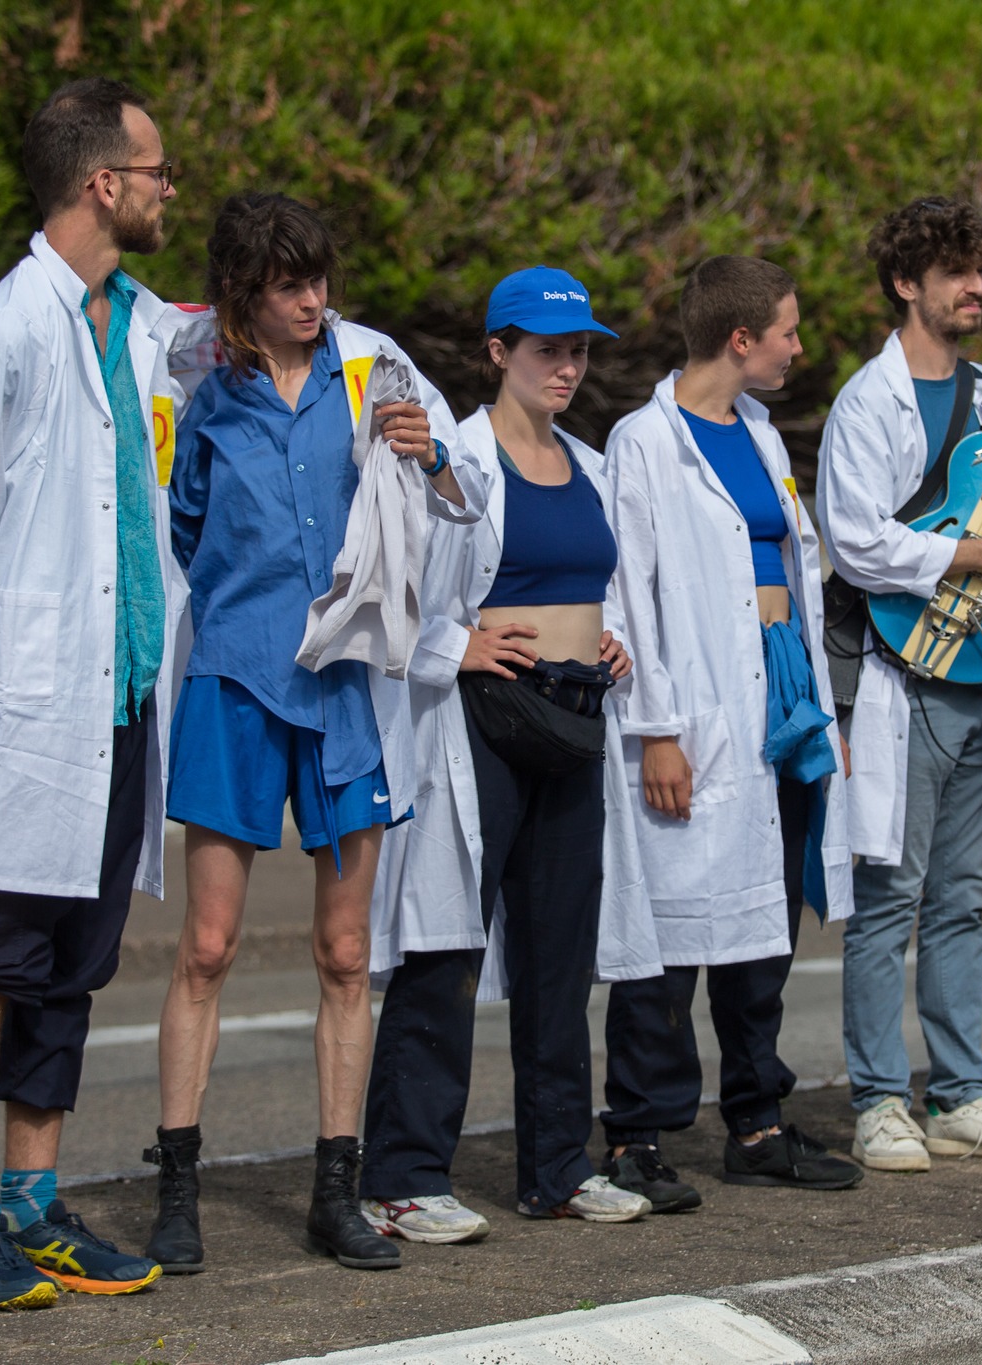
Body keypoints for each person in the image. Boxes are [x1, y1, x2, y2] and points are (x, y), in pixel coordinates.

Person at [143, 193, 470, 1272]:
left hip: (342, 692)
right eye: (289, 287)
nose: (314, 302)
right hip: (233, 684)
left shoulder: (377, 371)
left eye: (320, 281)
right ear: (244, 292)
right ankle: (177, 1186)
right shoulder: (200, 387)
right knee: (206, 946)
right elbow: (179, 528)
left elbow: (464, 506)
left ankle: (337, 1191)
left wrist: (426, 459)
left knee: (343, 952)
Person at [0, 78, 182, 1309]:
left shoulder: (130, 321)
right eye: (158, 170)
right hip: (27, 705)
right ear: (101, 183)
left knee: (72, 968)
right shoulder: (10, 327)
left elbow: (243, 336)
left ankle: (33, 1203)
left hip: (117, 702)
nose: (172, 188)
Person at [361, 266, 658, 1235]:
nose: (565, 368)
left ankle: (557, 1169)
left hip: (573, 716)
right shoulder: (454, 456)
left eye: (576, 351)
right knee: (443, 944)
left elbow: (602, 581)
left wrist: (607, 638)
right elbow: (400, 580)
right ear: (497, 353)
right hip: (482, 717)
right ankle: (405, 1176)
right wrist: (458, 645)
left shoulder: (592, 461)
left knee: (559, 953)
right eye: (545, 351)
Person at [597, 256, 863, 1206]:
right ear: (740, 339)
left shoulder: (759, 432)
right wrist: (658, 730)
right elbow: (629, 597)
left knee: (765, 933)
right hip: (696, 714)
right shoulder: (643, 443)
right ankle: (636, 1135)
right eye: (788, 330)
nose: (799, 345)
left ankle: (756, 1119)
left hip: (781, 699)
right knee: (668, 940)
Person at [818, 197, 982, 1172]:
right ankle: (880, 1100)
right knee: (889, 895)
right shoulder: (862, 404)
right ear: (904, 283)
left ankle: (961, 1096)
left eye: (980, 271)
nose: (975, 289)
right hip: (903, 670)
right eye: (956, 272)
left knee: (963, 898)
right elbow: (858, 544)